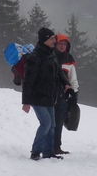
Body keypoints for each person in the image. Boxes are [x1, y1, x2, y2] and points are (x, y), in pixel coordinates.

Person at [22, 27, 70, 160]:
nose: (54, 41)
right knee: (46, 124)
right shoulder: (35, 57)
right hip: (37, 97)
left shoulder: (51, 54)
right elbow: (28, 81)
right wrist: (26, 102)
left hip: (50, 96)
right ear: (44, 40)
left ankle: (48, 152)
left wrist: (65, 82)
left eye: (54, 38)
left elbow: (58, 71)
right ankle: (35, 152)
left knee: (52, 125)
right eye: (51, 39)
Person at [53, 34, 78, 155]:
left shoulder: (69, 60)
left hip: (63, 96)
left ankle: (56, 146)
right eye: (60, 43)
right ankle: (47, 145)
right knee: (49, 122)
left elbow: (73, 79)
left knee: (58, 122)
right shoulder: (50, 56)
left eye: (65, 44)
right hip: (49, 94)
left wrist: (74, 95)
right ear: (55, 43)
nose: (62, 46)